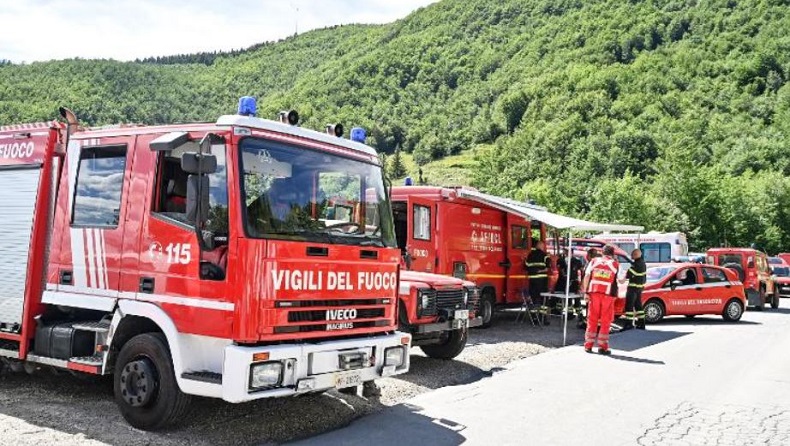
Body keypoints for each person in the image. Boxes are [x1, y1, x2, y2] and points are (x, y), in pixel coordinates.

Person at [581, 245, 620, 355]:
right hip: (608, 295)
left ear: (602, 252)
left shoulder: (594, 261)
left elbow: (587, 276)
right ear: (613, 254)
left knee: (592, 319)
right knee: (605, 321)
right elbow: (621, 280)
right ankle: (603, 347)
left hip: (594, 293)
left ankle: (588, 345)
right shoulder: (615, 264)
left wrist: (585, 292)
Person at [526, 239, 551, 324]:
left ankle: (534, 318)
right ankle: (543, 318)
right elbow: (547, 268)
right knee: (543, 299)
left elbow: (526, 266)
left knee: (533, 298)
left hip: (532, 280)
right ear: (541, 246)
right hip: (542, 280)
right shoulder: (545, 256)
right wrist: (540, 271)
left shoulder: (530, 255)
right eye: (543, 246)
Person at [621, 249, 647, 330]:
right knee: (638, 306)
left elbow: (628, 275)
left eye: (632, 255)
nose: (631, 256)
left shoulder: (635, 265)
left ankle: (629, 324)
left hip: (632, 289)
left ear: (636, 255)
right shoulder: (643, 263)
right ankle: (641, 323)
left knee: (629, 306)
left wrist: (622, 278)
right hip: (639, 288)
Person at [556, 249, 583, 319]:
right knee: (567, 299)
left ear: (571, 253)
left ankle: (580, 315)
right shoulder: (561, 260)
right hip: (563, 282)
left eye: (567, 252)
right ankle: (569, 314)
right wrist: (564, 275)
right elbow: (560, 269)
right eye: (565, 252)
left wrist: (581, 282)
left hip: (574, 282)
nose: (566, 253)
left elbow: (581, 270)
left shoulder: (576, 261)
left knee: (576, 299)